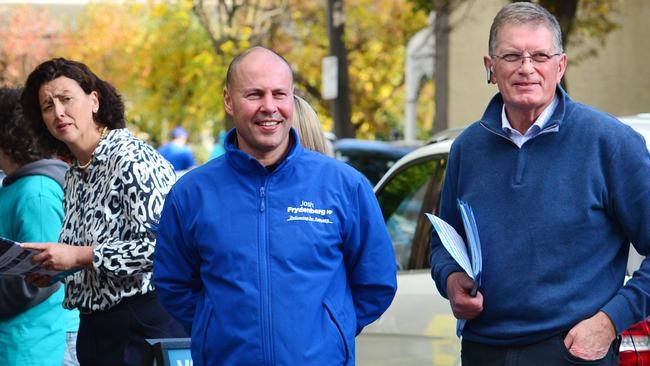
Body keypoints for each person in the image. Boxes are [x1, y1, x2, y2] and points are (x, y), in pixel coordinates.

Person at [429, 3, 650, 365]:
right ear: (490, 67)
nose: (526, 68)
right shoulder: (467, 149)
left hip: (571, 352)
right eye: (512, 56)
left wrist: (610, 322)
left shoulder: (609, 143)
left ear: (560, 66)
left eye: (540, 56)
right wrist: (451, 279)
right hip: (483, 350)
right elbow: (443, 241)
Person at [153, 46, 397, 365]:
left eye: (279, 94)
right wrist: (215, 330)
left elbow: (376, 281)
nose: (270, 107)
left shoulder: (344, 186)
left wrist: (329, 333)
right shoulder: (191, 193)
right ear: (229, 100)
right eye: (254, 95)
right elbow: (173, 284)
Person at [19, 57, 186, 366]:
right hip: (96, 329)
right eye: (47, 106)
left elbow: (165, 247)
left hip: (144, 324)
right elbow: (93, 253)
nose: (58, 112)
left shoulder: (131, 158)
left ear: (94, 100)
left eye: (66, 99)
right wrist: (57, 269)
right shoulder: (73, 173)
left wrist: (80, 256)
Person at [0, 86, 79, 365]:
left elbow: (43, 277)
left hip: (39, 342)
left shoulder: (37, 192)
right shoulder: (16, 186)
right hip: (22, 340)